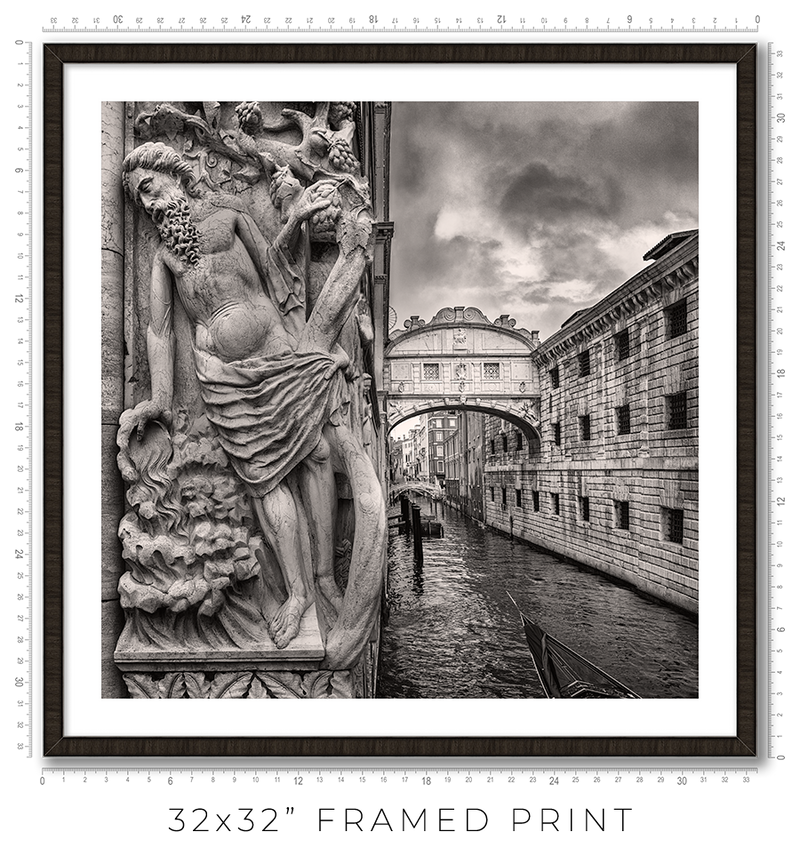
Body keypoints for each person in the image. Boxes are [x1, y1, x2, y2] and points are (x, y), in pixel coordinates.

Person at [118, 141, 374, 651]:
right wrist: (160, 400)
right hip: (223, 377)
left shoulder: (230, 213)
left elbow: (275, 265)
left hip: (275, 350)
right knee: (264, 480)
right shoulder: (165, 257)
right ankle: (297, 592)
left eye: (149, 188)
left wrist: (297, 214)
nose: (147, 204)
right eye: (138, 199)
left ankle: (324, 577)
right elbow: (157, 328)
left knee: (317, 452)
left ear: (174, 175)